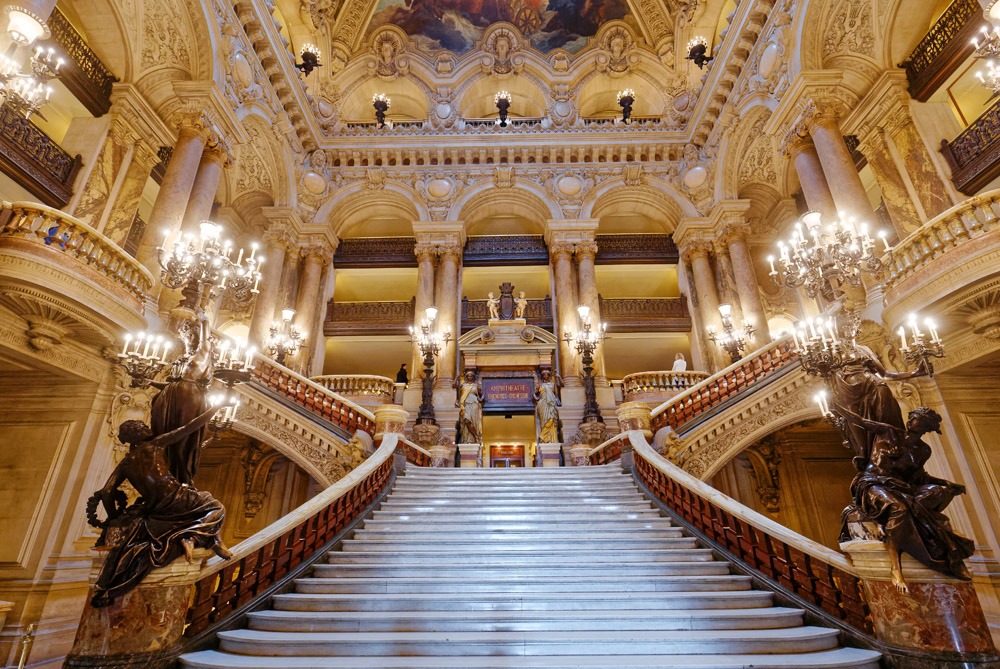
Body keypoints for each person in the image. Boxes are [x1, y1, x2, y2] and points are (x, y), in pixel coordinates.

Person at [88, 405, 233, 607]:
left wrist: (113, 516)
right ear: (135, 435)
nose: (145, 426)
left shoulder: (126, 462)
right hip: (177, 498)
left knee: (201, 505)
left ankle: (203, 538)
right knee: (216, 506)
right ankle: (195, 537)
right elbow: (190, 427)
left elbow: (106, 492)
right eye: (140, 426)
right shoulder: (155, 445)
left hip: (156, 507)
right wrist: (217, 406)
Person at [839, 406, 974, 593]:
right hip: (872, 483)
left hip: (900, 486)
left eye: (916, 418)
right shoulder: (889, 432)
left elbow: (920, 477)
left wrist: (947, 483)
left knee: (936, 492)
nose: (910, 420)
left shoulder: (923, 450)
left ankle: (950, 553)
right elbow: (860, 422)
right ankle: (896, 567)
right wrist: (836, 406)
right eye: (911, 417)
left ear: (926, 426)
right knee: (899, 508)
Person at [829, 343, 928, 468]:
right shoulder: (828, 351)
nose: (849, 328)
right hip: (849, 392)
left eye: (852, 324)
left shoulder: (864, 349)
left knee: (888, 423)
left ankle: (897, 452)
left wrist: (914, 373)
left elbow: (884, 374)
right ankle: (867, 458)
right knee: (859, 430)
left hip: (875, 386)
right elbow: (827, 378)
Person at [149, 311, 214, 486]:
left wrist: (205, 322)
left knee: (183, 436)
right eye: (185, 336)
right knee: (166, 434)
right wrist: (148, 381)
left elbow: (205, 343)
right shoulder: (181, 359)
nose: (188, 339)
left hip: (190, 398)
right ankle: (168, 474)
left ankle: (182, 478)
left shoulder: (202, 354)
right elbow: (172, 383)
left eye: (192, 336)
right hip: (171, 397)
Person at [454, 369, 483, 443]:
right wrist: (456, 378)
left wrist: (481, 399)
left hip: (474, 404)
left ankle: (474, 438)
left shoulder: (476, 386)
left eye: (471, 376)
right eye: (468, 376)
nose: (470, 377)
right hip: (465, 404)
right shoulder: (463, 385)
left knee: (473, 421)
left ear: (473, 377)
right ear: (466, 377)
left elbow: (482, 395)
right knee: (466, 420)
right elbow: (454, 386)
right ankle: (476, 435)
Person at [533, 368, 562, 443]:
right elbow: (535, 394)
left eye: (547, 375)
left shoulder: (553, 384)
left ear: (549, 376)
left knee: (551, 419)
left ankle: (542, 436)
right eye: (544, 375)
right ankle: (545, 438)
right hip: (542, 404)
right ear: (542, 376)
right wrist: (536, 398)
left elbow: (557, 394)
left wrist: (558, 377)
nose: (546, 376)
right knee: (544, 421)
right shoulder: (540, 385)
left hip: (551, 404)